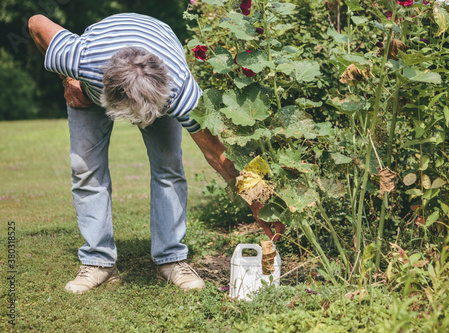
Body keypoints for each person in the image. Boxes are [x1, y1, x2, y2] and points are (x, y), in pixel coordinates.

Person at [28, 13, 285, 293]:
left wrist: (259, 204)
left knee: (169, 166)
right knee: (84, 168)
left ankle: (171, 261)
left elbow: (216, 154)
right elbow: (36, 23)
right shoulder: (80, 59)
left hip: (157, 62)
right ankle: (98, 263)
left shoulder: (181, 91)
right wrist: (68, 78)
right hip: (91, 86)